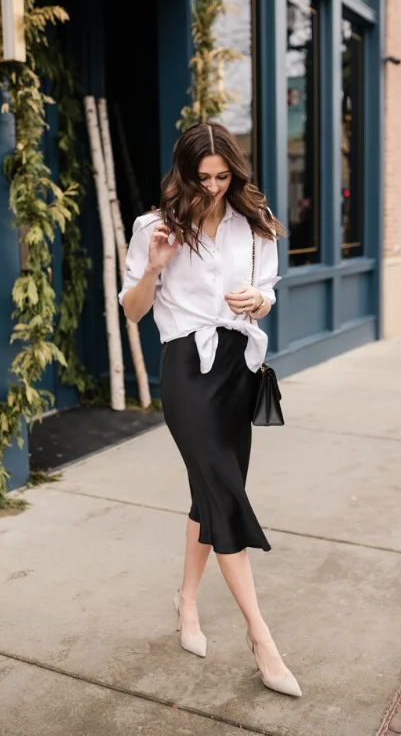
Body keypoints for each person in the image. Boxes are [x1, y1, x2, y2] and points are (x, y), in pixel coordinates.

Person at [118, 121, 302, 698]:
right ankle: (261, 638)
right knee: (223, 488)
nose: (216, 187)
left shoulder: (258, 226)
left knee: (210, 493)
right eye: (204, 177)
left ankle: (188, 602)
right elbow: (132, 311)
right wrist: (153, 266)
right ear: (185, 172)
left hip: (236, 369)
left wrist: (260, 300)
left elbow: (267, 293)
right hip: (186, 369)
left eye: (224, 176)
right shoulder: (155, 227)